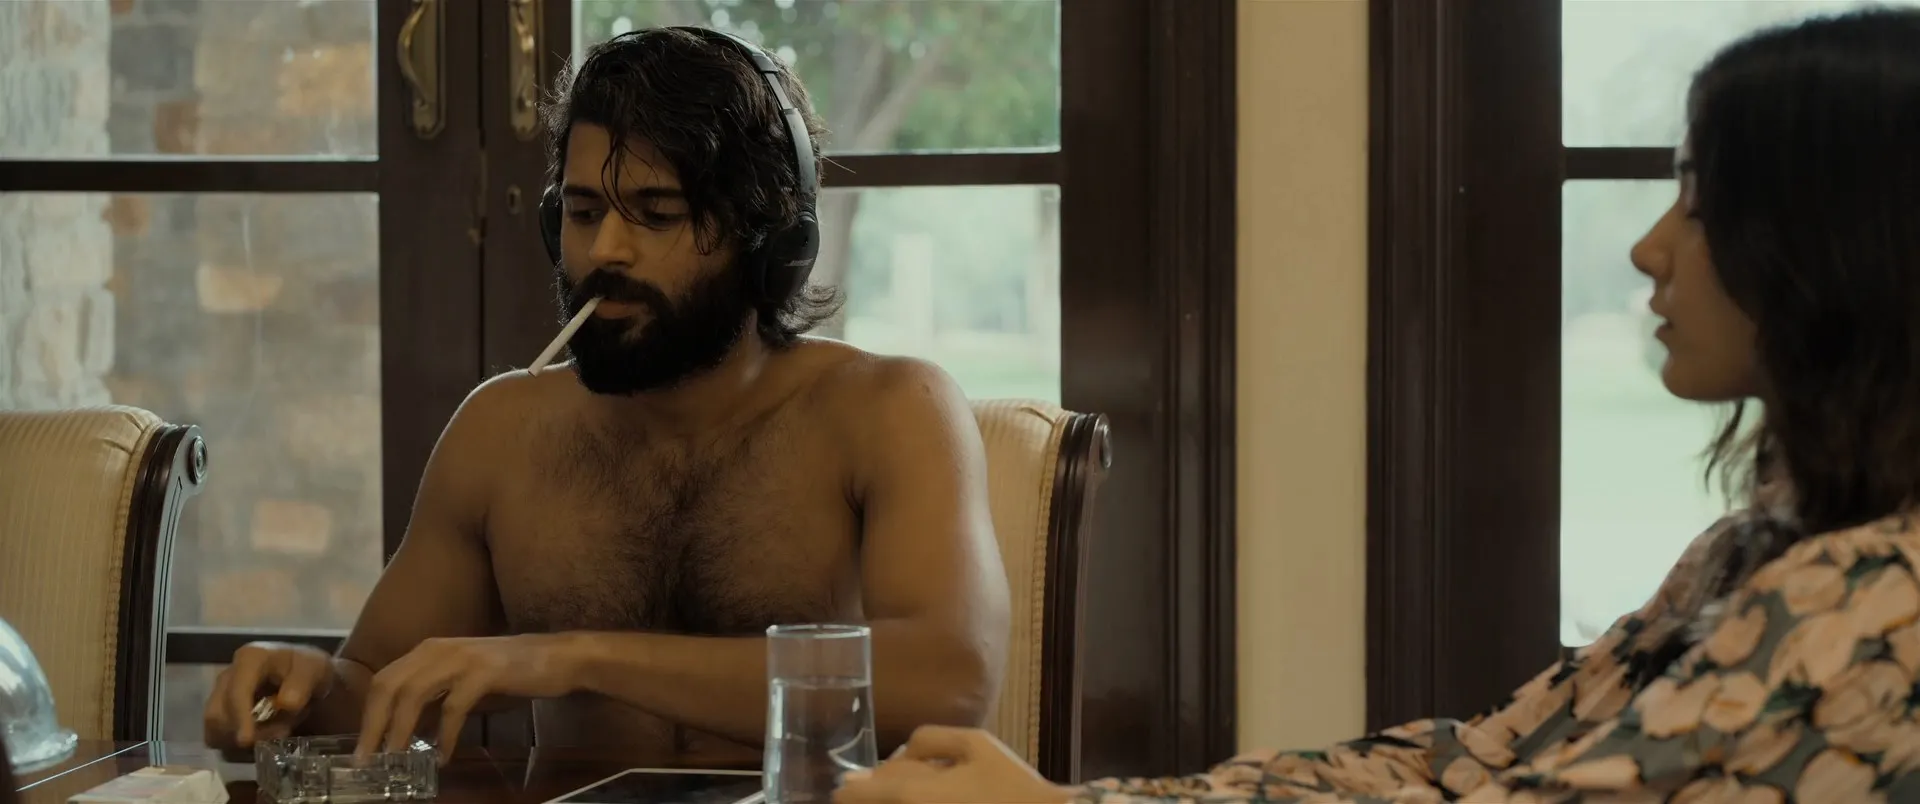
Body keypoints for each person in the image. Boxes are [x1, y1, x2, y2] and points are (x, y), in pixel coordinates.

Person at [837, 8, 1920, 803]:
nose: (1649, 247)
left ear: (1839, 245)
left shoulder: (1879, 601)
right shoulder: (1750, 551)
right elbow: (1475, 763)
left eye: (1701, 200)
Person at [200, 26, 1010, 767]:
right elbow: (376, 692)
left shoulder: (891, 411)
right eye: (584, 212)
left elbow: (948, 684)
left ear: (769, 241)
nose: (604, 251)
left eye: (656, 214)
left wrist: (577, 657)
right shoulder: (501, 432)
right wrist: (298, 692)